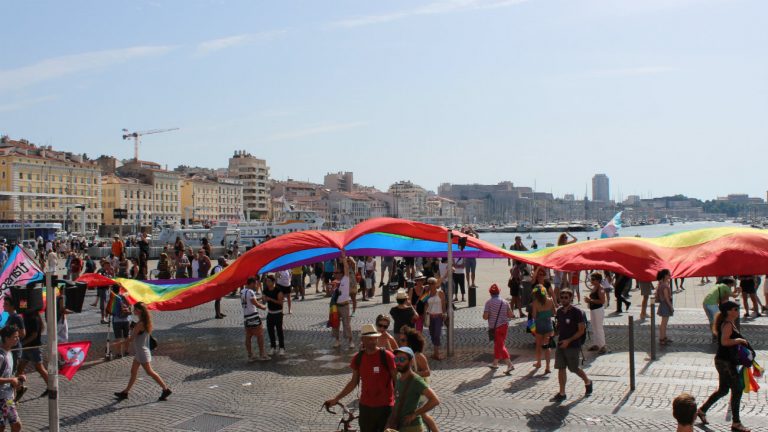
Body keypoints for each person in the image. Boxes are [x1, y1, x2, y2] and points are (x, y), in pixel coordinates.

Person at [324, 324, 396, 432]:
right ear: (362, 339)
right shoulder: (358, 358)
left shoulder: (387, 356)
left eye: (375, 338)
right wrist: (336, 399)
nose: (373, 341)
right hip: (366, 407)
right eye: (369, 339)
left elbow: (398, 380)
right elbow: (353, 383)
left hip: (385, 407)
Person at [696, 301, 751, 432]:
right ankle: (736, 423)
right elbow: (724, 342)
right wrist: (740, 340)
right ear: (728, 311)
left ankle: (702, 410)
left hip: (725, 361)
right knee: (737, 389)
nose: (738, 311)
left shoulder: (729, 323)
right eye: (735, 309)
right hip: (725, 362)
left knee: (723, 390)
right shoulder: (727, 324)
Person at [114, 302, 172, 401]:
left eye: (135, 309)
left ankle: (165, 389)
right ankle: (125, 392)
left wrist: (118, 344)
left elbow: (131, 339)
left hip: (142, 352)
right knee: (133, 372)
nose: (133, 311)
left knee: (150, 372)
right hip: (140, 351)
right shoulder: (143, 321)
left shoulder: (140, 324)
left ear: (139, 311)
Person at [552, 288, 592, 401]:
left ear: (570, 298)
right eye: (562, 297)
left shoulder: (577, 312)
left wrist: (568, 341)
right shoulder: (559, 311)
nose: (563, 299)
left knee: (574, 368)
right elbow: (559, 328)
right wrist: (553, 334)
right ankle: (562, 393)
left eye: (566, 297)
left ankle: (588, 382)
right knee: (561, 367)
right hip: (561, 344)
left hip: (573, 345)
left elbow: (581, 330)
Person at [388, 346, 440, 432]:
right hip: (400, 426)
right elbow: (397, 402)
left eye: (402, 360)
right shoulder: (398, 378)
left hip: (413, 427)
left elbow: (435, 400)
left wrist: (414, 414)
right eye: (396, 360)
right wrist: (390, 422)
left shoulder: (416, 380)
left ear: (411, 361)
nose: (398, 363)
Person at [397, 326, 439, 432]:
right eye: (400, 340)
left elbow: (427, 372)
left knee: (423, 414)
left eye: (403, 340)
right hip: (409, 387)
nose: (400, 342)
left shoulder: (418, 355)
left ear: (410, 342)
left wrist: (414, 373)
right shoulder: (404, 354)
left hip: (419, 389)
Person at [16, 309, 48, 400]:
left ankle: (51, 386)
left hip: (33, 348)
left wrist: (23, 343)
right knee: (19, 369)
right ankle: (20, 388)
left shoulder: (33, 318)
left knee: (40, 368)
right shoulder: (26, 317)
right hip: (27, 348)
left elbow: (34, 335)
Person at [483, 284, 515, 374]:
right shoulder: (504, 302)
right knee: (498, 344)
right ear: (499, 292)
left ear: (490, 293)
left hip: (495, 328)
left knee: (500, 346)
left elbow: (485, 317)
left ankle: (509, 364)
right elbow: (510, 315)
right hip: (504, 326)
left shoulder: (488, 303)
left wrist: (487, 314)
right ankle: (495, 363)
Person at [0, 325, 24, 432]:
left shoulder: (9, 352)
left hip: (8, 398)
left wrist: (17, 378)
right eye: (15, 337)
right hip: (1, 399)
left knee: (14, 425)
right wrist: (11, 380)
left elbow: (6, 374)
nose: (17, 339)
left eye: (18, 336)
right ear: (6, 338)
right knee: (5, 426)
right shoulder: (1, 356)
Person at [241, 277, 269, 361]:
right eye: (255, 284)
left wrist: (260, 298)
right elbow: (255, 303)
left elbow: (250, 301)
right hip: (254, 316)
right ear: (252, 283)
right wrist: (263, 307)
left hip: (246, 317)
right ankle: (262, 354)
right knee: (260, 335)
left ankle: (250, 355)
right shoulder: (250, 292)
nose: (256, 286)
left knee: (248, 336)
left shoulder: (242, 291)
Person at [331, 255, 354, 350]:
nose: (335, 274)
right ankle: (337, 340)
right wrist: (332, 289)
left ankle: (350, 341)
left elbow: (346, 267)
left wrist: (344, 258)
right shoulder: (334, 282)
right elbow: (331, 294)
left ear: (342, 273)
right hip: (336, 305)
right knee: (335, 323)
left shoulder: (346, 278)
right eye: (334, 272)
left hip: (345, 305)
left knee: (347, 324)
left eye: (337, 272)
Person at [531, 284, 554, 373]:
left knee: (538, 346)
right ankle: (548, 367)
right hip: (548, 325)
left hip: (539, 325)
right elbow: (553, 312)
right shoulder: (550, 300)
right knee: (547, 346)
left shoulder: (535, 302)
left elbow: (534, 316)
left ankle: (539, 363)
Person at [263, 274, 285, 355]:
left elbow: (280, 302)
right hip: (270, 313)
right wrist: (264, 299)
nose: (267, 283)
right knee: (270, 331)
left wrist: (270, 299)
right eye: (266, 281)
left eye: (269, 281)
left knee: (279, 331)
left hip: (278, 313)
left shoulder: (278, 290)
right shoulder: (265, 290)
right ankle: (273, 347)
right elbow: (264, 302)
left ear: (273, 282)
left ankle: (282, 348)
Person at [425, 276, 446, 360]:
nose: (430, 285)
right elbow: (425, 305)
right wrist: (424, 317)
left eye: (432, 283)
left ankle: (436, 353)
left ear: (436, 283)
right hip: (430, 316)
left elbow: (444, 303)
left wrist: (444, 313)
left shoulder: (440, 292)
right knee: (432, 334)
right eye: (429, 283)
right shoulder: (426, 294)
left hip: (438, 316)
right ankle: (435, 352)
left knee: (437, 334)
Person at [584, 273, 607, 354]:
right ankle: (596, 344)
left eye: (593, 279)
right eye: (591, 279)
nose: (591, 280)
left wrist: (590, 300)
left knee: (599, 327)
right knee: (594, 327)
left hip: (598, 310)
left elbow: (602, 301)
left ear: (598, 280)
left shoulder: (601, 288)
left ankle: (603, 346)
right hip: (593, 309)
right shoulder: (595, 287)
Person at [110, 285, 132, 358]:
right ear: (119, 289)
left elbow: (111, 310)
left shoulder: (113, 298)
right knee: (127, 336)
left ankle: (119, 353)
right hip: (126, 319)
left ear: (112, 290)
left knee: (118, 337)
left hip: (116, 320)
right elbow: (130, 305)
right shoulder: (124, 297)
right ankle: (127, 351)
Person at [656, 269, 674, 345]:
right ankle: (662, 338)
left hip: (663, 305)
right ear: (665, 276)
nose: (670, 276)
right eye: (669, 275)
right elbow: (666, 298)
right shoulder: (664, 286)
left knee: (664, 323)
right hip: (665, 305)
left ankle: (664, 337)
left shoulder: (661, 284)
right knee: (664, 323)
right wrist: (671, 307)